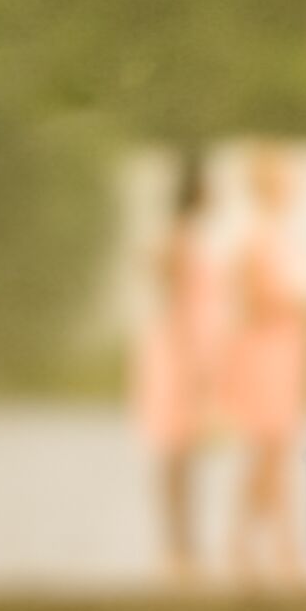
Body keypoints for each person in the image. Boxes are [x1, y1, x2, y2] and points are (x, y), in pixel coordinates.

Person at [211, 144, 306, 589]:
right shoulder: (256, 238)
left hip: (288, 349)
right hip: (265, 349)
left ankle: (258, 545)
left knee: (278, 452)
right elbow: (253, 300)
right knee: (267, 451)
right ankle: (273, 548)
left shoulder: (284, 237)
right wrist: (292, 306)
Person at [129, 151, 226, 583]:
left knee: (188, 454)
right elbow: (173, 299)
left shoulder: (195, 237)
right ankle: (175, 548)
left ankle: (188, 545)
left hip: (194, 347)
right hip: (178, 351)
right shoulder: (179, 238)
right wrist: (191, 361)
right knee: (173, 451)